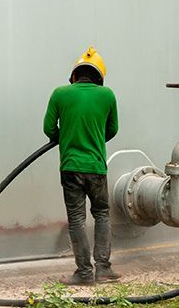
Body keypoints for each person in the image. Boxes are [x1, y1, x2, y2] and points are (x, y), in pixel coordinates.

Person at [43, 46, 120, 285]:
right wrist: (93, 139)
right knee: (102, 215)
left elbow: (48, 129)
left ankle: (84, 273)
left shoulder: (59, 94)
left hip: (70, 167)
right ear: (98, 77)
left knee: (77, 219)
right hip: (96, 167)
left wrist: (66, 137)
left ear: (75, 75)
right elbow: (112, 129)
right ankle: (104, 269)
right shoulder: (107, 95)